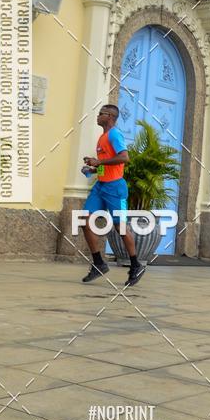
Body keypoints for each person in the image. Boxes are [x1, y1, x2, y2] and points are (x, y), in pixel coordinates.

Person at [80, 104, 145, 288]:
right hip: (101, 186)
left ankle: (135, 265)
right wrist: (93, 169)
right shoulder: (102, 138)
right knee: (85, 220)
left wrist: (99, 161)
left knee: (121, 227)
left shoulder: (114, 135)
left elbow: (124, 158)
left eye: (100, 113)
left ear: (109, 116)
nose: (97, 116)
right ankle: (99, 264)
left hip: (116, 188)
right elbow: (109, 165)